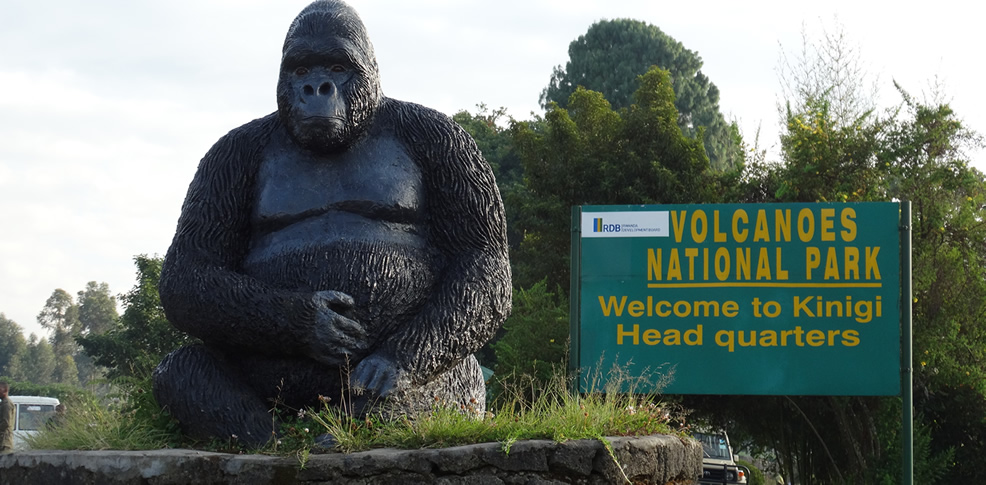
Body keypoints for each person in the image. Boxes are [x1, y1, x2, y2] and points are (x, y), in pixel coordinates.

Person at [0, 380, 14, 453]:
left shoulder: (6, 404)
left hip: (4, 442)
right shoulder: (3, 403)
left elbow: (6, 422)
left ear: (5, 390)